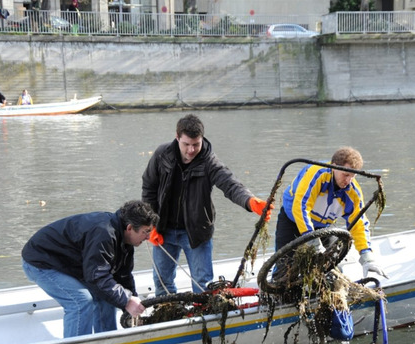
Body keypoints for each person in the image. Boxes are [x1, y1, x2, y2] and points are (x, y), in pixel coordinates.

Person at [142, 114, 272, 296]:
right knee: (162, 283)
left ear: (202, 139)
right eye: (186, 144)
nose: (191, 150)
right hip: (163, 229)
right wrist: (150, 225)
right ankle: (168, 316)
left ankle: (201, 319)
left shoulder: (209, 161)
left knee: (203, 285)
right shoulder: (162, 155)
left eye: (196, 144)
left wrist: (250, 202)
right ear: (177, 137)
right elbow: (149, 188)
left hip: (196, 232)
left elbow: (230, 184)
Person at [21, 200, 158, 338]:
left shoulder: (126, 240)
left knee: (108, 297)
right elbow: (96, 276)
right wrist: (127, 301)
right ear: (129, 228)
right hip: (40, 261)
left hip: (72, 263)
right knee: (81, 302)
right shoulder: (104, 233)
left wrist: (130, 303)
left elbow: (123, 276)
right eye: (145, 232)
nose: (148, 237)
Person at [273, 146, 386, 280]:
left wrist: (367, 257)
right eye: (346, 175)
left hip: (323, 228)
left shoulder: (352, 192)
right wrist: (313, 241)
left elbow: (359, 223)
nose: (348, 181)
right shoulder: (316, 174)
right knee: (284, 270)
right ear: (334, 167)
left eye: (353, 176)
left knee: (331, 268)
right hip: (292, 221)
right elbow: (300, 206)